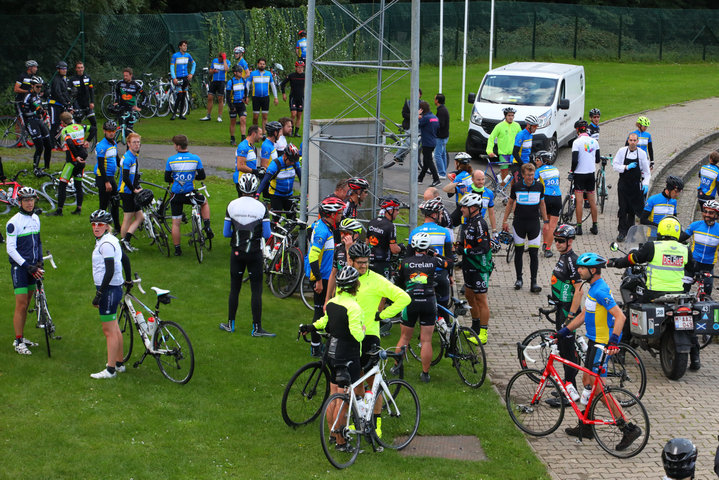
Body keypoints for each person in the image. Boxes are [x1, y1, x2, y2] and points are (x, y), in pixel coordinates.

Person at [556, 253, 638, 451]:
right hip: (594, 343)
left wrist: (614, 341)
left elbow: (620, 317)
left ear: (593, 270)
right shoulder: (592, 289)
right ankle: (586, 426)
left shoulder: (601, 291)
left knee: (598, 388)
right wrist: (564, 331)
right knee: (587, 383)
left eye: (582, 269)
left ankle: (627, 428)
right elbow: (584, 315)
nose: (579, 271)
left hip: (601, 345)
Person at [608, 216, 694, 365]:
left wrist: (616, 262)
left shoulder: (652, 246)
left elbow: (632, 259)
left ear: (660, 230)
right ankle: (696, 358)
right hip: (678, 294)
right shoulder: (685, 249)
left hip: (654, 293)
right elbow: (692, 269)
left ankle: (621, 350)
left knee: (630, 310)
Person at [300, 266, 365, 452]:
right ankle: (341, 441)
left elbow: (324, 321)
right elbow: (356, 335)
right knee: (344, 399)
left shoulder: (333, 302)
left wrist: (311, 326)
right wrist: (363, 331)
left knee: (333, 395)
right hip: (348, 356)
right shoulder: (354, 307)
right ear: (355, 286)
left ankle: (331, 433)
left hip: (331, 353)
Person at [220, 174, 275, 336]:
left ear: (240, 187)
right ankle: (257, 328)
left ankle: (230, 324)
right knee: (256, 290)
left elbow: (225, 233)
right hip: (254, 253)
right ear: (255, 188)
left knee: (234, 289)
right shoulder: (261, 207)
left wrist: (239, 233)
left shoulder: (232, 205)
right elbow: (266, 233)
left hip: (236, 252)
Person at [395, 232, 448, 382]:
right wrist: (436, 254)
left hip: (410, 301)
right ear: (428, 247)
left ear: (413, 246)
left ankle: (395, 367)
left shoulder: (405, 262)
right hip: (429, 302)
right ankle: (425, 373)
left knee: (404, 337)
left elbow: (398, 282)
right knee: (426, 340)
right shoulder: (433, 261)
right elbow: (449, 263)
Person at [89, 209, 132, 379]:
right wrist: (128, 280)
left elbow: (110, 269)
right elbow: (125, 259)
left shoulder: (105, 244)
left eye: (100, 224)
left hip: (108, 290)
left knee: (109, 331)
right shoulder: (111, 239)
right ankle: (119, 364)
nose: (96, 227)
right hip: (114, 288)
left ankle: (110, 369)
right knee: (114, 327)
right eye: (93, 224)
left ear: (107, 226)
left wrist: (99, 293)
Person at [544, 224, 583, 408]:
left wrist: (571, 316)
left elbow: (578, 291)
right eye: (556, 239)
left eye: (560, 241)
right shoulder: (563, 257)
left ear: (570, 241)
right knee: (564, 349)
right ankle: (568, 388)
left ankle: (569, 394)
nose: (557, 243)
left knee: (567, 354)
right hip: (561, 308)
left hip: (568, 311)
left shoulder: (572, 261)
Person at [305, 197, 345, 356]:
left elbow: (309, 230)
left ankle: (320, 343)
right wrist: (319, 281)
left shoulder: (323, 226)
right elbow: (314, 257)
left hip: (325, 274)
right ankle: (315, 346)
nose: (341, 215)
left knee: (325, 310)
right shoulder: (322, 230)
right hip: (321, 276)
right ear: (331, 214)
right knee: (319, 311)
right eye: (339, 213)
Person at [6, 187, 43, 355]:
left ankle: (20, 336)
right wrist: (27, 266)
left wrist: (40, 261)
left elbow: (38, 242)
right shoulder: (14, 222)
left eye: (31, 200)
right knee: (21, 305)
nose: (29, 203)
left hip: (33, 267)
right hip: (20, 269)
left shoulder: (35, 218)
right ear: (20, 202)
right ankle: (19, 341)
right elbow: (11, 250)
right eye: (26, 200)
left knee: (27, 303)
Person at [501, 162, 547, 293]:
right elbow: (510, 203)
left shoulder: (539, 186)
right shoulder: (516, 186)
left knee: (534, 254)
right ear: (522, 175)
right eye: (528, 175)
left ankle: (534, 282)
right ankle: (519, 279)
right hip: (519, 223)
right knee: (519, 252)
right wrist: (504, 221)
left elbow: (542, 204)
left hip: (534, 224)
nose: (530, 178)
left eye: (532, 175)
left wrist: (547, 222)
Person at [165, 134, 213, 256]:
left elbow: (167, 178)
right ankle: (207, 226)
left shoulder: (171, 160)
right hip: (190, 193)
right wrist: (191, 177)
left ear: (177, 146)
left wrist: (177, 179)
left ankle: (177, 249)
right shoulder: (195, 158)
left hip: (176, 195)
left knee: (176, 223)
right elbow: (202, 176)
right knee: (204, 202)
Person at [458, 192, 494, 345]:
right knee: (469, 294)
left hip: (479, 266)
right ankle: (475, 326)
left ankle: (483, 333)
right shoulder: (468, 222)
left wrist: (465, 251)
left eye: (464, 207)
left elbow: (484, 248)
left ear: (473, 208)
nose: (461, 210)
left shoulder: (480, 223)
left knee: (481, 299)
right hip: (468, 266)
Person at [409, 197, 454, 309]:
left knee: (421, 308)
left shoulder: (415, 232)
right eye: (441, 213)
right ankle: (445, 323)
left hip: (420, 274)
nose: (442, 216)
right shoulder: (444, 232)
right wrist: (451, 275)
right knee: (443, 308)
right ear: (434, 214)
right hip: (440, 274)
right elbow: (449, 257)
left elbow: (409, 257)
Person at [47, 112, 88, 216]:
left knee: (62, 185)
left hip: (72, 162)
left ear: (63, 122)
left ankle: (59, 210)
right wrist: (87, 141)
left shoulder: (65, 130)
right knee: (78, 185)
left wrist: (75, 156)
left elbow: (69, 143)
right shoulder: (80, 126)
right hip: (82, 162)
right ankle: (79, 209)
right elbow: (93, 129)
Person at [613, 132, 651, 242]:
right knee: (623, 208)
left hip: (635, 185)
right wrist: (626, 167)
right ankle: (621, 231)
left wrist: (645, 184)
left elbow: (646, 172)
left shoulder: (642, 154)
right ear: (628, 140)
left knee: (632, 209)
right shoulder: (622, 151)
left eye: (635, 140)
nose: (633, 143)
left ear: (637, 141)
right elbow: (615, 165)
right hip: (623, 184)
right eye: (631, 140)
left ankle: (631, 232)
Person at [680, 200, 719, 296]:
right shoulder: (695, 225)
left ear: (717, 215)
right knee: (683, 291)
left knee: (706, 293)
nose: (707, 214)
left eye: (711, 212)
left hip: (708, 265)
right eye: (705, 211)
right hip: (692, 263)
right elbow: (680, 238)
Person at [570, 120, 600, 235]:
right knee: (592, 201)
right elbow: (597, 159)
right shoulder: (594, 141)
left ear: (577, 130)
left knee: (579, 201)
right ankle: (595, 226)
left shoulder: (577, 142)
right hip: (590, 173)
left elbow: (574, 160)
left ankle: (579, 227)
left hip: (579, 174)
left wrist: (572, 171)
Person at [118, 133, 144, 252]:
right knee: (127, 218)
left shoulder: (134, 156)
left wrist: (137, 187)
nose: (137, 144)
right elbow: (126, 177)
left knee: (140, 217)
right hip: (127, 192)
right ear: (128, 144)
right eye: (134, 142)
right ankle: (123, 244)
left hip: (132, 191)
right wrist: (134, 189)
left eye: (138, 142)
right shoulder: (128, 158)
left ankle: (126, 240)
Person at [19, 76, 52, 171]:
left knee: (48, 145)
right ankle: (35, 168)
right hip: (30, 122)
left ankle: (47, 167)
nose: (39, 88)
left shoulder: (37, 94)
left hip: (38, 120)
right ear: (32, 85)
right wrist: (35, 112)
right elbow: (24, 113)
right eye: (37, 86)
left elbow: (38, 105)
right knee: (39, 147)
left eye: (41, 86)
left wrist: (42, 109)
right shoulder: (27, 96)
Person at [325, 218, 364, 300]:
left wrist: (348, 249)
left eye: (346, 233)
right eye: (341, 232)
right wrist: (327, 299)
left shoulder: (362, 249)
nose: (342, 235)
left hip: (355, 292)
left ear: (356, 235)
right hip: (340, 293)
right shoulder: (338, 248)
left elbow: (352, 270)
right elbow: (333, 274)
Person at [257, 143, 302, 214]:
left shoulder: (294, 163)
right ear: (285, 156)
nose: (292, 163)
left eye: (294, 161)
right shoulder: (275, 164)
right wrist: (257, 194)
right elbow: (264, 181)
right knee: (276, 219)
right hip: (276, 195)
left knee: (292, 217)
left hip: (289, 194)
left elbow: (301, 177)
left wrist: (306, 192)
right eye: (290, 161)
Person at [534, 150, 561, 256]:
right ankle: (547, 248)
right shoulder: (556, 169)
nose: (536, 162)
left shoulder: (539, 171)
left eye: (537, 160)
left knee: (546, 223)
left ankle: (546, 245)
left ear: (543, 161)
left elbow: (534, 184)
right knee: (552, 225)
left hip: (546, 198)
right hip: (557, 197)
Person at [94, 120, 121, 229]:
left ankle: (117, 227)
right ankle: (100, 227)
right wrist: (106, 182)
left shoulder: (113, 143)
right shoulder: (102, 145)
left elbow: (117, 159)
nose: (111, 133)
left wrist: (124, 168)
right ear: (104, 131)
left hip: (110, 176)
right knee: (103, 205)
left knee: (115, 202)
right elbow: (101, 166)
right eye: (109, 131)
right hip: (103, 177)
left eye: (113, 131)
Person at [367, 196, 402, 279]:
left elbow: (367, 243)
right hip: (383, 264)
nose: (398, 212)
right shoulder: (390, 226)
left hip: (369, 262)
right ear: (390, 210)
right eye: (397, 209)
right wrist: (401, 248)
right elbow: (394, 249)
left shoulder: (372, 222)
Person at [487, 107, 521, 185]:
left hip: (514, 154)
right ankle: (503, 189)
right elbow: (491, 138)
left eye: (512, 115)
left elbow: (521, 139)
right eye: (509, 115)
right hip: (504, 154)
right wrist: (489, 151)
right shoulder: (499, 126)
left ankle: (513, 191)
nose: (511, 117)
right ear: (505, 116)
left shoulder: (517, 126)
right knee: (504, 173)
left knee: (514, 174)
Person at [443, 152, 474, 226]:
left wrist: (453, 182)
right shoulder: (468, 174)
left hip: (461, 206)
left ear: (457, 163)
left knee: (447, 224)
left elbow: (448, 191)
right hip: (469, 204)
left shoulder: (459, 177)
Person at [70, 61, 96, 145]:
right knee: (78, 125)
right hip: (77, 105)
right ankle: (78, 141)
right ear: (76, 69)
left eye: (81, 67)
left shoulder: (88, 77)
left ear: (84, 68)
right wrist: (71, 106)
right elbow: (69, 94)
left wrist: (92, 101)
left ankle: (93, 141)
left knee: (94, 123)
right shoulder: (72, 79)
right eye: (78, 68)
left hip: (87, 104)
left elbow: (91, 90)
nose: (80, 69)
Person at [248, 58, 279, 131]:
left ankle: (264, 133)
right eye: (260, 64)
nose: (262, 65)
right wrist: (246, 96)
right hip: (256, 97)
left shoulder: (268, 74)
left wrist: (276, 97)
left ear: (265, 65)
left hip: (265, 97)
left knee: (265, 116)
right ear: (258, 64)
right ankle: (255, 131)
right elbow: (248, 84)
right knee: (255, 117)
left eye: (263, 64)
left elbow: (273, 85)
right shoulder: (253, 74)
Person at [170, 40, 195, 120]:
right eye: (184, 45)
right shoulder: (175, 56)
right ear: (180, 46)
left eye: (186, 46)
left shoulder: (188, 55)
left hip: (185, 78)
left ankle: (181, 114)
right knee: (179, 95)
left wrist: (191, 73)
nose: (185, 47)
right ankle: (174, 113)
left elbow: (194, 63)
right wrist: (174, 78)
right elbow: (171, 67)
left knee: (184, 95)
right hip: (178, 78)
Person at [234, 125, 263, 196]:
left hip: (250, 180)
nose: (261, 136)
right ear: (254, 134)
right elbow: (240, 166)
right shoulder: (243, 146)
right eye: (260, 134)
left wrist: (258, 169)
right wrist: (255, 171)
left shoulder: (252, 146)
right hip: (242, 181)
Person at [48, 61, 73, 146]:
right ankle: (51, 145)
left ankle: (58, 144)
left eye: (65, 68)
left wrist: (68, 102)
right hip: (54, 105)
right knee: (54, 124)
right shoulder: (56, 79)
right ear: (58, 69)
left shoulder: (63, 79)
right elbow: (57, 93)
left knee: (60, 125)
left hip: (60, 105)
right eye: (62, 68)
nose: (64, 70)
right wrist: (64, 102)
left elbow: (65, 92)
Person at [200, 51, 229, 122]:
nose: (219, 60)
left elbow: (226, 69)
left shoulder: (227, 62)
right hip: (214, 81)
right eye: (219, 59)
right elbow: (210, 71)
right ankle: (208, 115)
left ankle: (219, 116)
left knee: (220, 98)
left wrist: (224, 60)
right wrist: (213, 71)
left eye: (221, 59)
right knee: (210, 97)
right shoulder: (214, 61)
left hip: (222, 81)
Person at [417, 101, 440, 187]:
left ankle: (436, 179)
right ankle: (420, 178)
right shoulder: (434, 117)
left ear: (421, 109)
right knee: (426, 160)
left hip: (426, 142)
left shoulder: (425, 118)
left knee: (429, 161)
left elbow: (417, 125)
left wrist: (417, 116)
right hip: (433, 141)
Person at [511, 115, 539, 185]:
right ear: (528, 125)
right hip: (517, 163)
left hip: (526, 163)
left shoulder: (530, 134)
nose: (536, 128)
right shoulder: (521, 135)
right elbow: (514, 152)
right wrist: (522, 164)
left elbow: (528, 150)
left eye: (537, 126)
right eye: (534, 126)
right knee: (519, 186)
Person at [281, 61, 305, 137]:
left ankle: (296, 132)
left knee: (299, 115)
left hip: (301, 97)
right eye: (298, 67)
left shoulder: (305, 76)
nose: (300, 69)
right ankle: (291, 130)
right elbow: (283, 84)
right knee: (293, 114)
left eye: (302, 68)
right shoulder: (292, 75)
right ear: (296, 68)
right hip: (293, 97)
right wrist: (283, 93)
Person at [226, 65, 249, 146]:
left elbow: (245, 89)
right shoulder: (230, 82)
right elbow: (228, 96)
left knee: (243, 119)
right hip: (233, 104)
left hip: (241, 104)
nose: (241, 73)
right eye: (240, 72)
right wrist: (231, 106)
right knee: (233, 122)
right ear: (235, 73)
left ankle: (243, 138)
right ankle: (232, 138)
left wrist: (245, 97)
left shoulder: (243, 80)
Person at [259, 120, 282, 198]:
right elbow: (264, 165)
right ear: (275, 133)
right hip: (269, 179)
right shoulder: (267, 146)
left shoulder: (270, 144)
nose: (280, 134)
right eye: (280, 132)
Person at [470, 169, 497, 233]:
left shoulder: (489, 193)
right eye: (478, 180)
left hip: (480, 224)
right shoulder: (466, 190)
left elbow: (491, 213)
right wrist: (456, 183)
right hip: (466, 224)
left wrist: (494, 230)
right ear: (472, 179)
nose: (481, 182)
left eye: (483, 179)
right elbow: (446, 189)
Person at [433, 93, 449, 179]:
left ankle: (442, 173)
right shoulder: (443, 109)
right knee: (442, 154)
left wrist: (434, 124)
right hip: (444, 135)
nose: (434, 100)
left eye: (435, 99)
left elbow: (441, 124)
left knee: (437, 155)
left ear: (437, 101)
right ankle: (443, 171)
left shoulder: (441, 111)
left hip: (441, 136)